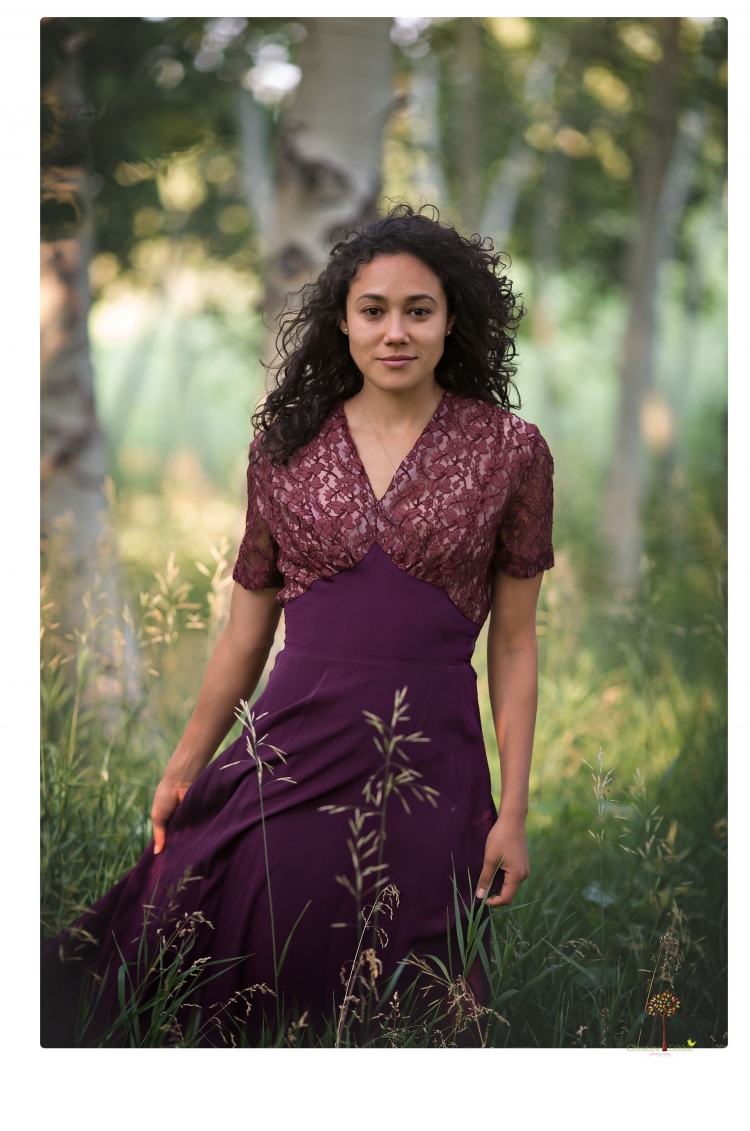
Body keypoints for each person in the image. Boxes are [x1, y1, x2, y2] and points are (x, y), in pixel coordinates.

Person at [41, 205, 554, 1047]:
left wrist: (515, 811)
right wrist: (184, 765)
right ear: (343, 321)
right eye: (374, 310)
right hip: (289, 759)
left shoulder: (511, 452)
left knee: (414, 1007)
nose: (396, 332)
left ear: (451, 318)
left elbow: (515, 643)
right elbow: (246, 635)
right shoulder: (287, 449)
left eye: (418, 310)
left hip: (434, 770)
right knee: (228, 959)